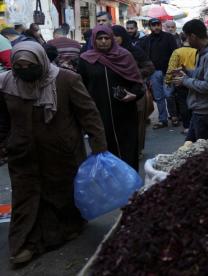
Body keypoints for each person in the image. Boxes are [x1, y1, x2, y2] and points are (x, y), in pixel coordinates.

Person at [0, 41, 107, 265]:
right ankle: (23, 244)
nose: (23, 72)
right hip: (22, 154)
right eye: (18, 67)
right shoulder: (7, 83)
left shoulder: (66, 80)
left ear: (41, 62)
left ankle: (66, 228)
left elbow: (89, 115)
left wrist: (100, 150)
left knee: (59, 197)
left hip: (61, 153)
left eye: (29, 66)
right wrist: (6, 142)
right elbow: (2, 119)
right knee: (24, 198)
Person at [79, 25, 145, 170]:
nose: (103, 41)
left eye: (107, 38)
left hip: (125, 113)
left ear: (112, 39)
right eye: (99, 38)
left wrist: (133, 95)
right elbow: (81, 88)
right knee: (105, 153)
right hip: (99, 115)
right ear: (94, 40)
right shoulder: (86, 60)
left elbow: (138, 84)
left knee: (128, 152)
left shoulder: (124, 56)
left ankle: (130, 187)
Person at [172, 19, 208, 142]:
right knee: (189, 147)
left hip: (207, 112)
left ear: (193, 36)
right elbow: (203, 75)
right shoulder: (203, 52)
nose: (186, 41)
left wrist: (185, 81)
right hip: (201, 110)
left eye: (187, 38)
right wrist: (187, 71)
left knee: (201, 153)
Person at [112, 25, 155, 158]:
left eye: (115, 36)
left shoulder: (135, 51)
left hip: (136, 91)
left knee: (138, 123)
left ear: (122, 37)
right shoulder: (109, 53)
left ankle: (137, 150)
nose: (112, 39)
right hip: (117, 93)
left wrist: (132, 74)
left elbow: (150, 67)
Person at [138, 18, 178, 129]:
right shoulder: (147, 40)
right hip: (154, 72)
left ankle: (174, 116)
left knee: (169, 95)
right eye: (153, 25)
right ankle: (162, 120)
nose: (156, 27)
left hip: (168, 71)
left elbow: (175, 53)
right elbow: (140, 53)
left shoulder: (169, 37)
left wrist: (174, 70)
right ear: (150, 27)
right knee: (159, 97)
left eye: (158, 25)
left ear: (161, 25)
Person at [165, 32, 197, 134]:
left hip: (180, 81)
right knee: (195, 103)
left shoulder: (177, 52)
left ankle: (187, 127)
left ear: (181, 40)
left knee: (183, 104)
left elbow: (171, 68)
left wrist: (168, 80)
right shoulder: (197, 51)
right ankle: (195, 125)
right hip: (195, 81)